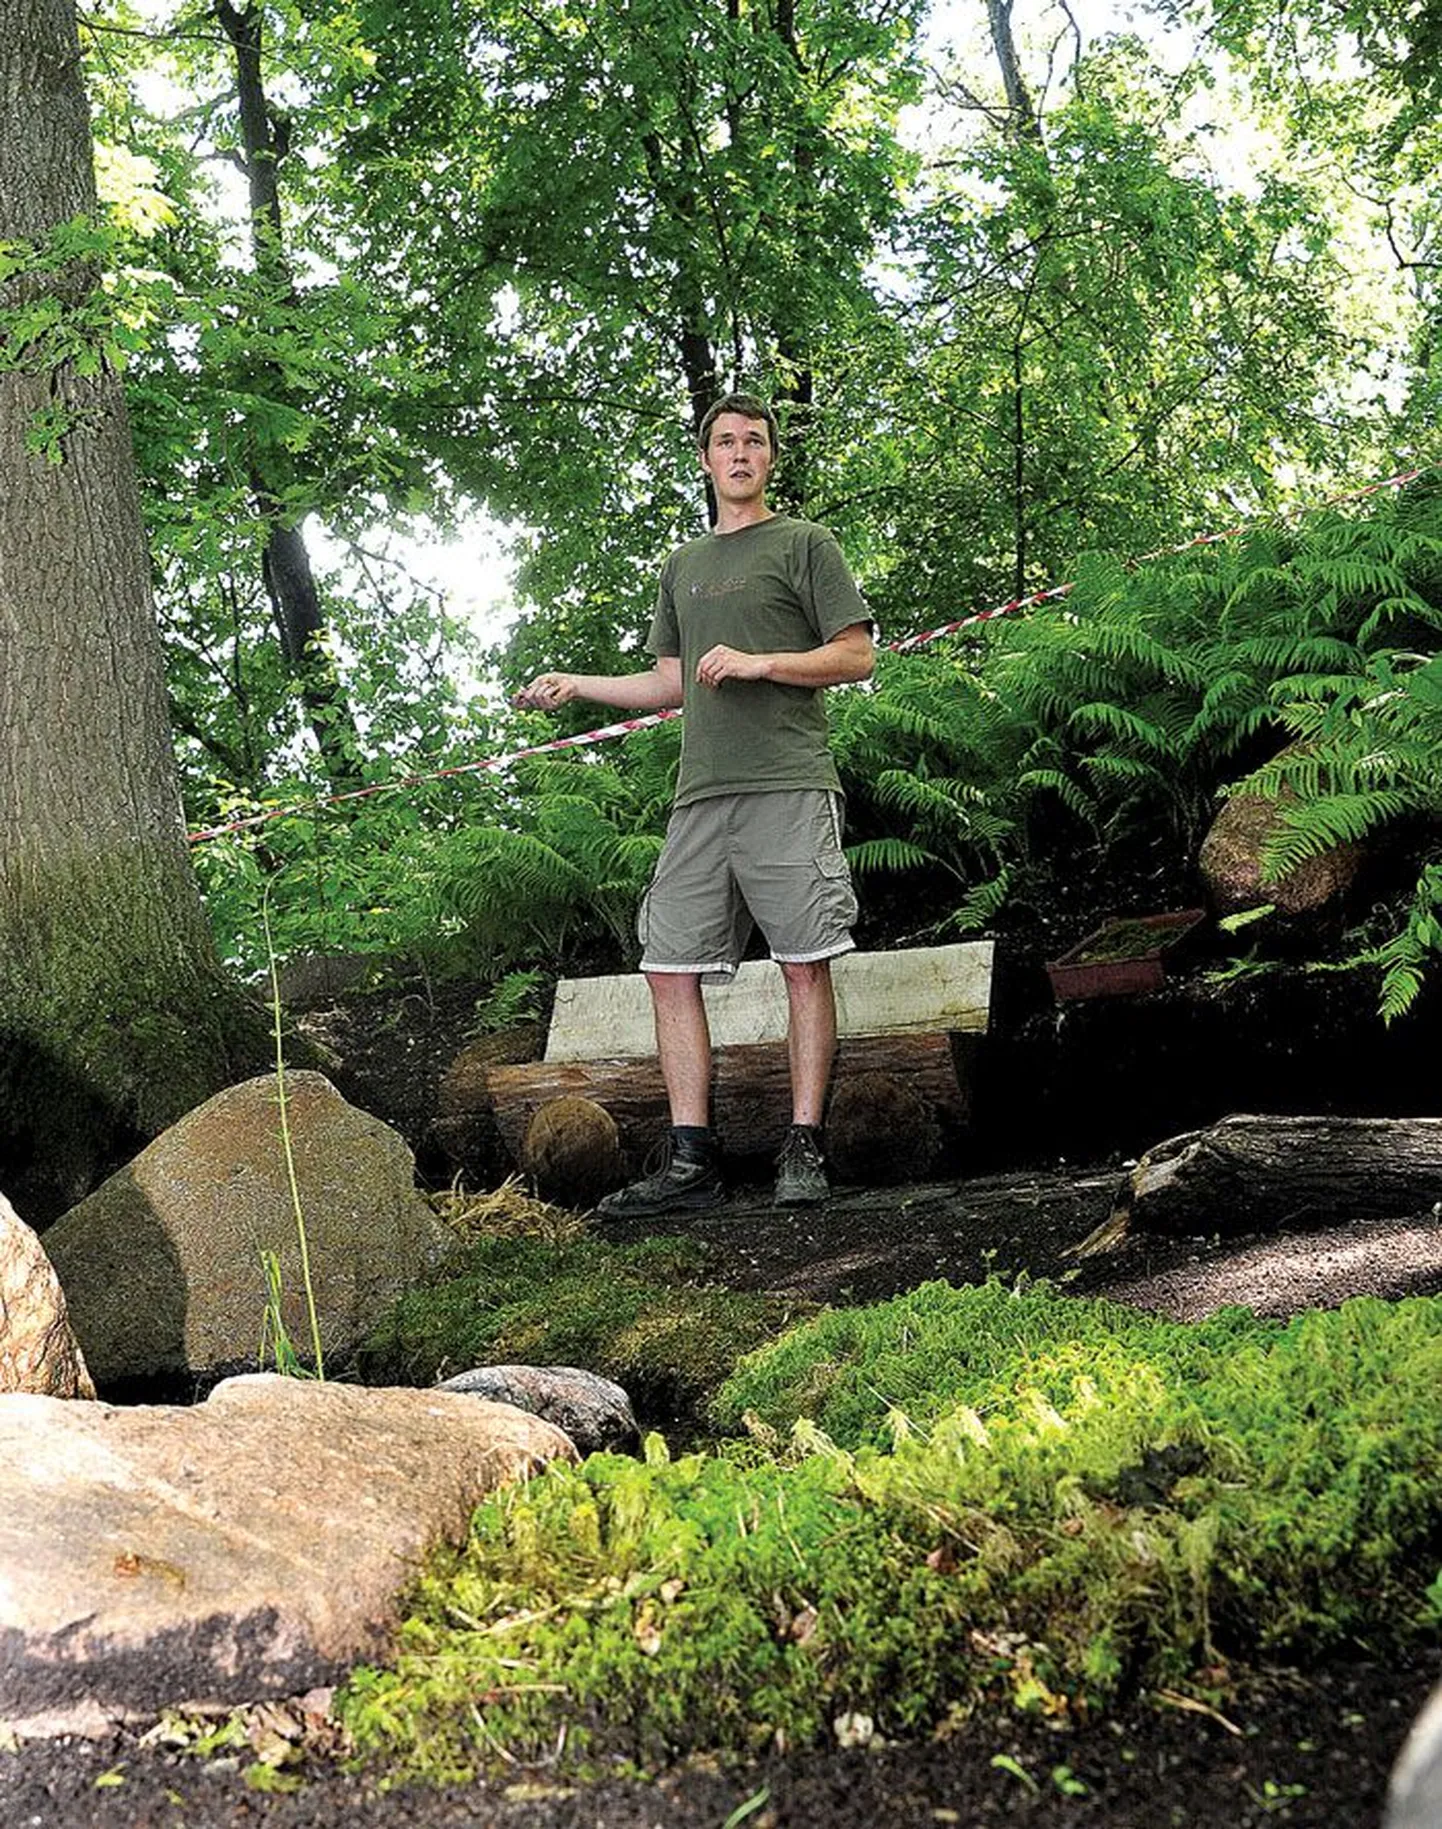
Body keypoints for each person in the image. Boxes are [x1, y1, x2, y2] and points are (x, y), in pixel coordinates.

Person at [515, 393, 874, 1214]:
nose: (740, 452)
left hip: (788, 781)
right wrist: (578, 685)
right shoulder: (682, 565)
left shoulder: (806, 544)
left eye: (754, 440)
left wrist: (760, 664)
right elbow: (668, 682)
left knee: (803, 960)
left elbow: (855, 655)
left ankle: (804, 1145)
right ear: (707, 460)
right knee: (668, 964)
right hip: (700, 797)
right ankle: (691, 1160)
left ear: (770, 459)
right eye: (725, 441)